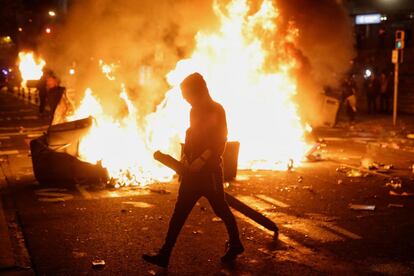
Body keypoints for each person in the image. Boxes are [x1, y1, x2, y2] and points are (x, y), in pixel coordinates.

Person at [142, 73, 244, 268]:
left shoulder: (217, 109)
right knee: (179, 212)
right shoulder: (193, 110)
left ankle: (236, 243)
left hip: (210, 173)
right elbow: (192, 136)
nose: (184, 98)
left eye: (186, 94)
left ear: (198, 91)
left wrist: (202, 160)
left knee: (221, 208)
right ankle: (165, 254)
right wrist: (186, 158)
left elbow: (219, 141)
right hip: (191, 174)